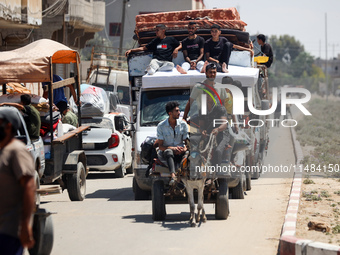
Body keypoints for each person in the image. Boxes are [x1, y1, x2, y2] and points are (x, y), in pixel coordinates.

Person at [0, 107, 36, 254]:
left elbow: (29, 186)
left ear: (8, 126)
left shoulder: (16, 150)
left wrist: (26, 224)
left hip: (8, 231)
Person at [156, 101, 189, 185]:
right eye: (177, 111)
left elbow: (187, 142)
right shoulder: (161, 126)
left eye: (179, 110)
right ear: (170, 113)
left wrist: (184, 149)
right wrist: (173, 148)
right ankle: (173, 176)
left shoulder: (183, 124)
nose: (179, 113)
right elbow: (160, 146)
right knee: (168, 152)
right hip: (168, 153)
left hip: (181, 152)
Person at [199, 91, 230, 166]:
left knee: (218, 151)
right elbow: (201, 125)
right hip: (208, 134)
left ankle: (216, 172)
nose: (206, 97)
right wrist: (202, 131)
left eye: (208, 95)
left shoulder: (220, 108)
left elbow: (224, 124)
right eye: (205, 95)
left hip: (222, 134)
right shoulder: (202, 109)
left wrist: (217, 129)